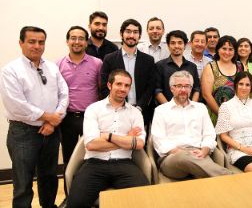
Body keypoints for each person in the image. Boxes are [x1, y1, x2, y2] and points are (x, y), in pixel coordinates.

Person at [0, 26, 69, 208]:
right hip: (23, 133)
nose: (37, 46)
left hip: (51, 131)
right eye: (32, 41)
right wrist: (48, 117)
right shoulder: (10, 71)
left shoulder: (52, 67)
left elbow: (64, 94)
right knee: (23, 182)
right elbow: (16, 104)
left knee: (49, 176)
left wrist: (53, 122)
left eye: (41, 42)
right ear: (21, 43)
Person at [67, 70, 149, 207]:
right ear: (109, 85)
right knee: (76, 204)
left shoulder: (135, 113)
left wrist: (108, 136)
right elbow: (92, 144)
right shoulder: (93, 109)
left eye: (127, 85)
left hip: (124, 164)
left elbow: (139, 144)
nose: (123, 89)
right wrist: (127, 139)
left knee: (146, 200)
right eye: (119, 84)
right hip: (95, 164)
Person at [151, 71, 232, 179]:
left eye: (187, 86)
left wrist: (205, 150)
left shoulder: (200, 108)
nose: (183, 90)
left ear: (191, 88)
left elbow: (209, 134)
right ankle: (230, 177)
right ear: (171, 88)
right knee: (185, 158)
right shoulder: (161, 111)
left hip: (199, 153)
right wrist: (179, 152)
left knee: (204, 172)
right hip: (172, 157)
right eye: (179, 86)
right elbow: (158, 139)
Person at [57, 26, 102, 199]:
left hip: (89, 118)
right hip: (67, 118)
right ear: (67, 41)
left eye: (81, 38)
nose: (77, 42)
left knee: (92, 158)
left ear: (86, 41)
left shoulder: (97, 63)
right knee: (69, 159)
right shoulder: (58, 64)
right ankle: (70, 197)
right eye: (73, 38)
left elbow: (101, 89)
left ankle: (91, 196)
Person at [100, 19, 155, 126]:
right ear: (121, 34)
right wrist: (116, 107)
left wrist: (139, 107)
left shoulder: (148, 60)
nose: (131, 35)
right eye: (128, 31)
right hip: (115, 112)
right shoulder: (109, 59)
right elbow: (104, 86)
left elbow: (150, 87)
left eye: (135, 32)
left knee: (139, 142)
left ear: (139, 36)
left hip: (141, 112)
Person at [201, 35, 243, 125]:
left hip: (238, 116)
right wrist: (223, 116)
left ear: (235, 51)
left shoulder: (240, 66)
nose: (227, 52)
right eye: (224, 48)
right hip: (216, 116)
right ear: (218, 49)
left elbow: (245, 90)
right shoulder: (211, 67)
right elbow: (206, 95)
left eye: (231, 49)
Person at [154, 30, 200, 104]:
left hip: (188, 111)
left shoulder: (192, 66)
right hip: (167, 111)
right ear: (168, 46)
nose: (176, 46)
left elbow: (196, 89)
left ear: (185, 45)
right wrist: (168, 108)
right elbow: (157, 90)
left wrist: (192, 106)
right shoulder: (160, 66)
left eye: (180, 43)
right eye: (173, 43)